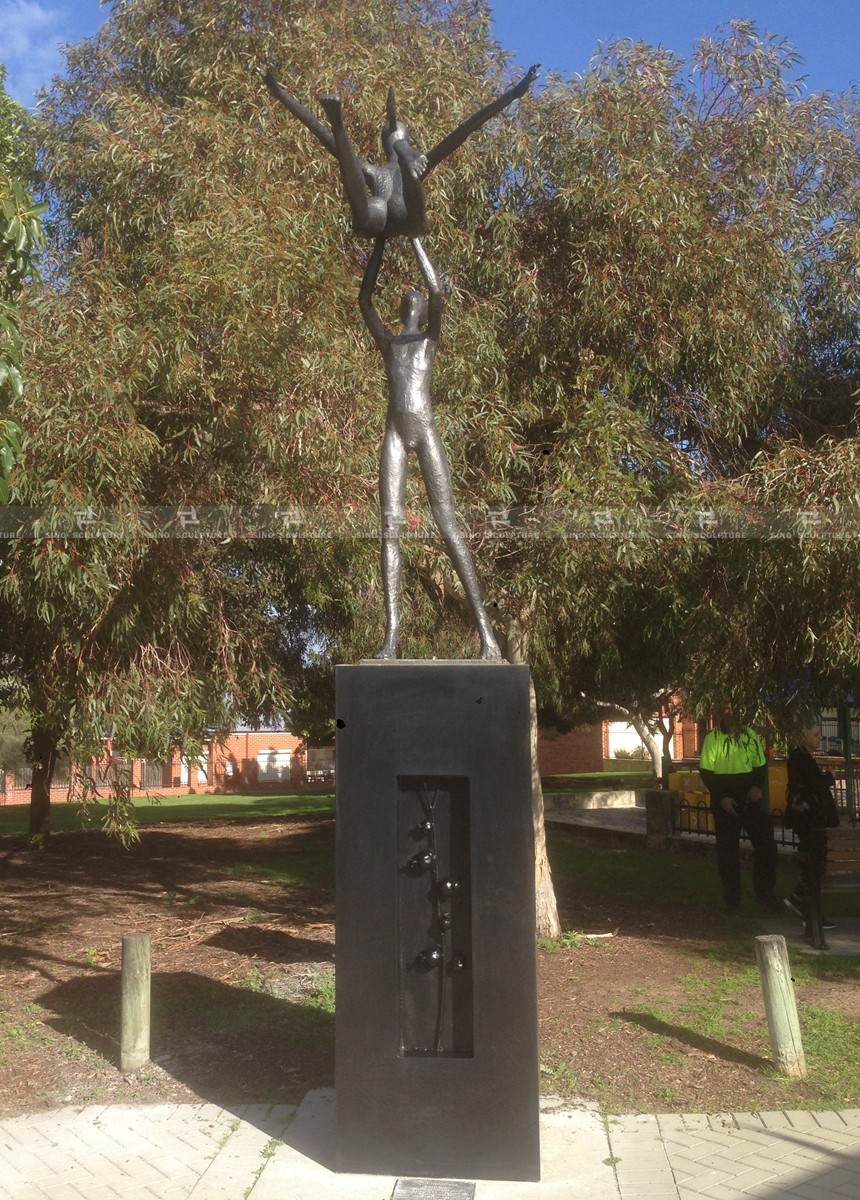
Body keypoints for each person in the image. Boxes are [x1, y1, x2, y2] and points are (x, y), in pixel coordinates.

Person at [359, 235, 502, 661]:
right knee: (389, 530)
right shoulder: (390, 343)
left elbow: (437, 289)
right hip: (396, 436)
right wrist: (381, 242)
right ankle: (392, 638)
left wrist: (414, 235)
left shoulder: (428, 341)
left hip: (425, 431)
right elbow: (365, 300)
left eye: (414, 300)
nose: (410, 301)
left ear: (419, 310)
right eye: (407, 300)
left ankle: (488, 637)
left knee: (449, 528)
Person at [262, 65, 539, 240]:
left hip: (414, 215)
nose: (393, 134)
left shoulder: (417, 164)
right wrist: (279, 93)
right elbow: (324, 137)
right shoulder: (378, 171)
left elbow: (467, 127)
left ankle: (396, 150)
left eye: (396, 136)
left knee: (408, 173)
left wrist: (514, 93)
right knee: (365, 188)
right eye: (393, 137)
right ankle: (340, 124)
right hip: (377, 220)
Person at [698, 705, 779, 912]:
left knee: (767, 846)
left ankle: (764, 894)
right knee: (727, 853)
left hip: (749, 801)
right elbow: (707, 772)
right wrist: (721, 797)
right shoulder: (712, 738)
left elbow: (760, 765)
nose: (731, 712)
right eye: (726, 708)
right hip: (724, 804)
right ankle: (732, 900)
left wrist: (756, 787)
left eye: (735, 708)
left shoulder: (750, 735)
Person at [784, 723, 839, 935]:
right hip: (807, 819)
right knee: (814, 863)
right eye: (816, 735)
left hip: (810, 819)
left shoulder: (804, 757)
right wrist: (830, 778)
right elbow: (812, 785)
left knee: (814, 863)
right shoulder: (800, 758)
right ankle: (807, 909)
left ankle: (799, 900)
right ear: (804, 735)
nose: (820, 738)